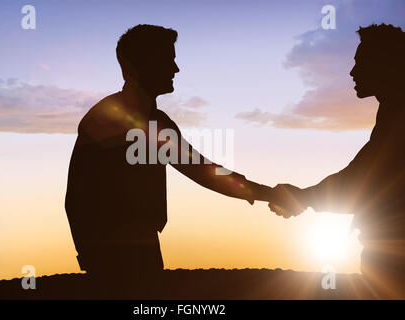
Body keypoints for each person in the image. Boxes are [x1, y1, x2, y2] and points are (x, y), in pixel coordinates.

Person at [65, 24, 273, 296]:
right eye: (168, 60)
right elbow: (77, 197)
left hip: (141, 250)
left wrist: (264, 192)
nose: (176, 69)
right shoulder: (108, 119)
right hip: (114, 260)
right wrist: (91, 257)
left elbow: (202, 169)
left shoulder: (155, 122)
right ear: (141, 65)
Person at [269, 24, 405, 299]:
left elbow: (366, 178)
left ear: (387, 63)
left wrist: (304, 198)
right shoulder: (391, 110)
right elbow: (363, 172)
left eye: (362, 62)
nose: (353, 72)